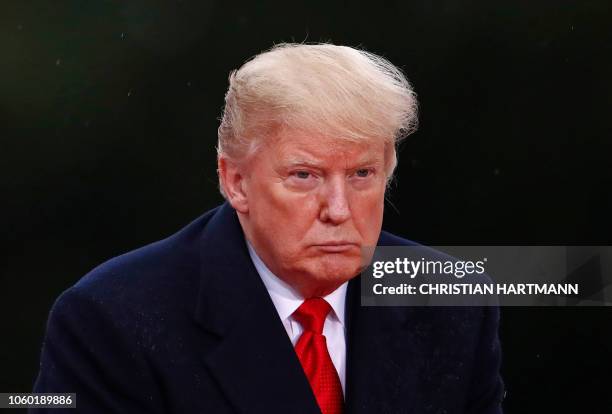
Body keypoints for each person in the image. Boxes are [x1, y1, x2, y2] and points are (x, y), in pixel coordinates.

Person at [32, 43, 504, 413]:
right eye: (304, 176)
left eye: (362, 174)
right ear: (235, 182)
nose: (339, 210)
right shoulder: (112, 318)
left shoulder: (451, 300)